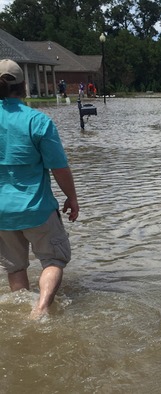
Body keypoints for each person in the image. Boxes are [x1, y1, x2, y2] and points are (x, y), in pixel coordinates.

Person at [0, 59, 79, 318]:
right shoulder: (37, 121)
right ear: (23, 86)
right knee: (53, 260)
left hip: (2, 214)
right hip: (36, 208)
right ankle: (42, 306)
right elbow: (59, 168)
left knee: (15, 268)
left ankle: (24, 311)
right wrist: (72, 198)